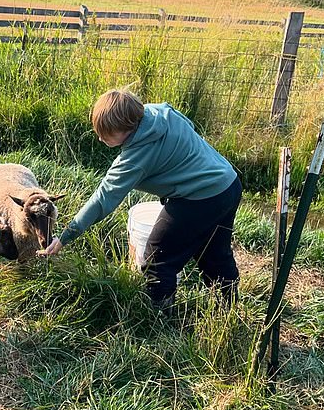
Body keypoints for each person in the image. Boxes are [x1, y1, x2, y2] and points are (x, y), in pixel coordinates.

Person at [38, 88, 242, 310]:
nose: (99, 137)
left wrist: (64, 238)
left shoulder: (135, 159)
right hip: (228, 184)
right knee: (214, 253)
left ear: (123, 127)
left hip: (199, 198)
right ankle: (229, 311)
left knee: (157, 259)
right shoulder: (158, 113)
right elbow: (189, 127)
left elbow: (102, 199)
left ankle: (159, 322)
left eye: (105, 132)